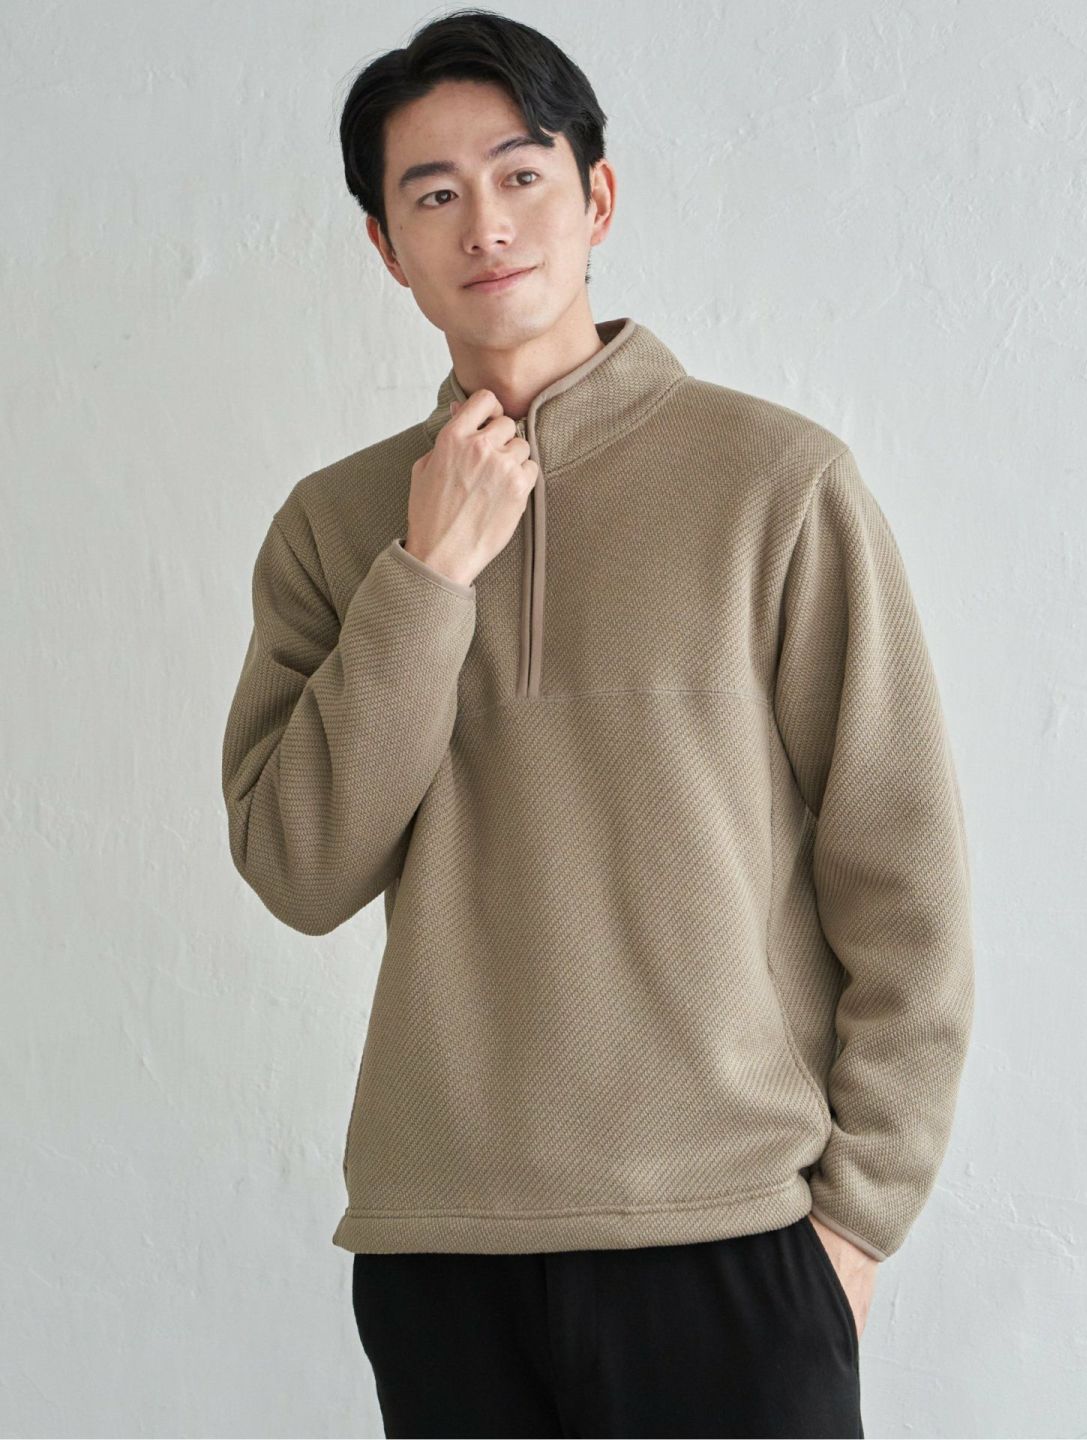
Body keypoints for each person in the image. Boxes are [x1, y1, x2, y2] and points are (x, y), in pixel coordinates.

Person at [220, 9, 974, 1437]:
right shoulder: (336, 525)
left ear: (598, 198)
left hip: (733, 1241)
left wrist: (856, 1226)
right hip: (442, 1254)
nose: (485, 224)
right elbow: (300, 869)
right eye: (433, 194)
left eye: (521, 174)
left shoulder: (776, 484)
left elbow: (906, 880)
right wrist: (427, 573)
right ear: (384, 245)